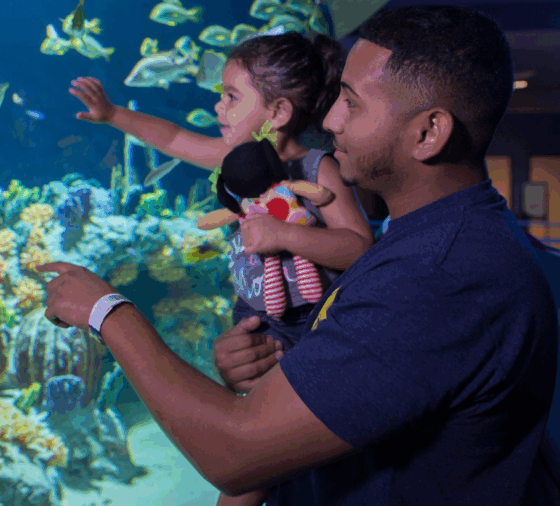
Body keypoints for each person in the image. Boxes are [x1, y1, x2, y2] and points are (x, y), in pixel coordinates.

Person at [38, 5, 559, 506]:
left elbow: (236, 454)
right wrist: (259, 365)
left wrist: (107, 310)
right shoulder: (421, 239)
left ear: (428, 133)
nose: (330, 120)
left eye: (351, 102)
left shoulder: (439, 276)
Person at [69, 32, 374, 351]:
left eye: (231, 96)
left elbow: (359, 246)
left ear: (278, 112)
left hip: (315, 317)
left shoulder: (317, 169)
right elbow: (174, 139)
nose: (218, 106)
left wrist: (285, 235)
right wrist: (112, 114)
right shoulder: (235, 159)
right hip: (253, 314)